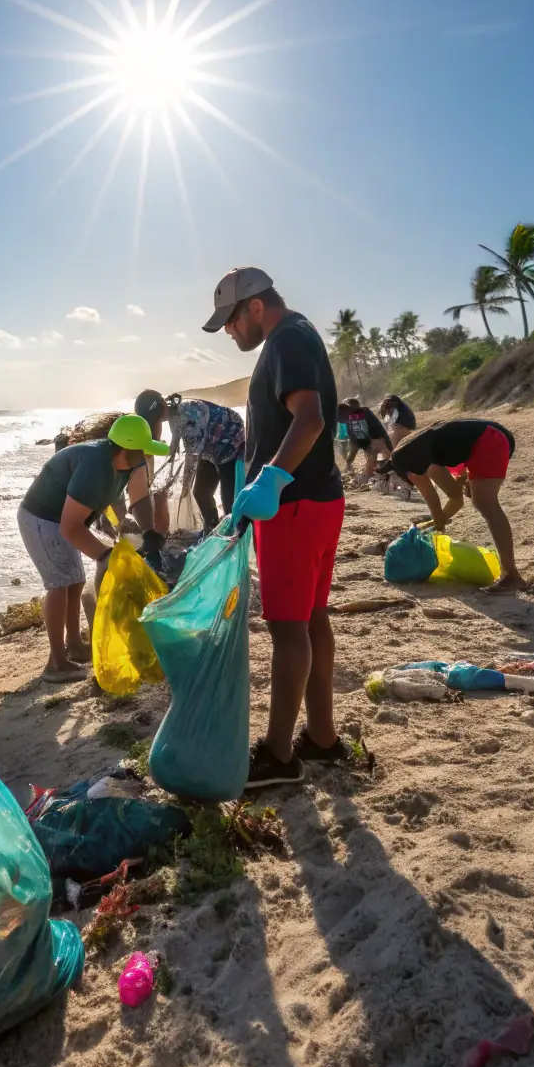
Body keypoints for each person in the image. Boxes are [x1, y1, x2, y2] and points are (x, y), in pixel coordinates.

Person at [204, 266, 345, 789]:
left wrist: (271, 479)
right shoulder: (296, 336)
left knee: (289, 628)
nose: (228, 332)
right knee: (311, 618)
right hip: (319, 501)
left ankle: (280, 755)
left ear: (255, 308)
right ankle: (323, 738)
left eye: (231, 321)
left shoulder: (287, 339)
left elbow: (309, 418)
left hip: (293, 507)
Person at [18, 414, 169, 682]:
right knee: (59, 585)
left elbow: (140, 499)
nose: (147, 457)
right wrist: (104, 555)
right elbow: (70, 527)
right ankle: (56, 663)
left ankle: (74, 645)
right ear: (126, 449)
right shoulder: (95, 466)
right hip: (42, 518)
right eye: (143, 451)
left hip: (65, 519)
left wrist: (150, 532)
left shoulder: (132, 464)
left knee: (76, 581)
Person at [378, 418, 523, 590]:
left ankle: (511, 575)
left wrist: (436, 524)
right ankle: (510, 573)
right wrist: (436, 522)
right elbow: (456, 498)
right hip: (490, 436)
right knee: (477, 497)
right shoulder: (417, 450)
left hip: (488, 439)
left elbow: (432, 499)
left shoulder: (404, 460)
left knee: (486, 504)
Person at [130, 388, 245, 533]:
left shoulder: (189, 416)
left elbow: (192, 455)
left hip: (230, 442)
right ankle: (212, 528)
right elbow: (175, 448)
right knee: (200, 493)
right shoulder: (172, 415)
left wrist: (185, 485)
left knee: (229, 502)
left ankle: (235, 535)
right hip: (208, 449)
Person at [338, 398, 392, 481]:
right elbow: (355, 439)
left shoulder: (359, 416)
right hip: (375, 441)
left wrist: (367, 451)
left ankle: (371, 475)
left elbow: (362, 439)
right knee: (374, 460)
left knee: (380, 460)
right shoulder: (354, 417)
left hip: (378, 440)